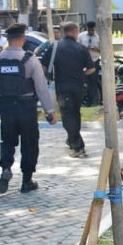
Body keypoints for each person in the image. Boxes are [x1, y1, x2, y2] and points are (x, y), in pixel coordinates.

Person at [0, 24, 57, 194]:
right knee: (29, 143)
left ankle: (5, 169)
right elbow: (41, 88)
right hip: (26, 108)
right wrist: (50, 111)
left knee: (7, 141)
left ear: (8, 40)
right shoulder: (30, 59)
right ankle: (27, 180)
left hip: (6, 108)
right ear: (23, 39)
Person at [43, 21, 95, 158]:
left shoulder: (55, 47)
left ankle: (78, 147)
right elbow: (91, 69)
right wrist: (81, 74)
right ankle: (72, 141)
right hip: (78, 87)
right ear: (75, 32)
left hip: (62, 87)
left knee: (67, 116)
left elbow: (43, 65)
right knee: (75, 114)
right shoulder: (81, 48)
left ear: (63, 32)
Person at [77, 21, 101, 106]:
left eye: (92, 30)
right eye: (89, 30)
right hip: (83, 62)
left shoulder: (98, 37)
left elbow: (102, 50)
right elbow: (76, 48)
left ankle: (93, 102)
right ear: (87, 29)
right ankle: (85, 101)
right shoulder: (81, 36)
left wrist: (96, 49)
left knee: (93, 82)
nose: (91, 32)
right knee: (84, 82)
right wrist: (84, 49)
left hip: (94, 60)